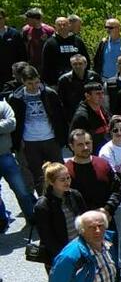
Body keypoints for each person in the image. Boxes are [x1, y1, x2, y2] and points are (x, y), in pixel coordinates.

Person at [34, 162, 89, 282]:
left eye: (68, 177)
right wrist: (67, 257)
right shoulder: (43, 205)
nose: (67, 182)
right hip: (59, 258)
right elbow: (48, 238)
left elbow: (85, 221)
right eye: (62, 179)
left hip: (80, 251)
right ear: (51, 182)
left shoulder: (75, 195)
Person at [8, 64, 67, 195]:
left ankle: (64, 197)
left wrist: (62, 138)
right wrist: (16, 144)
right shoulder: (16, 98)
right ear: (23, 82)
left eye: (36, 82)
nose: (34, 86)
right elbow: (15, 122)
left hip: (50, 138)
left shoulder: (50, 94)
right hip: (30, 141)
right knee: (38, 175)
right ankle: (44, 199)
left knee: (60, 171)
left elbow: (60, 117)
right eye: (30, 83)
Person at [98, 116, 121, 273]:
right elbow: (114, 176)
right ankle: (116, 266)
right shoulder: (107, 150)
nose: (119, 133)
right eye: (115, 130)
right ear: (110, 131)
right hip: (118, 198)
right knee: (117, 233)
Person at [0, 96, 36, 223]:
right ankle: (2, 220)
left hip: (5, 155)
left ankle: (32, 217)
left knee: (22, 190)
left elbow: (11, 124)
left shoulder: (2, 106)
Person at [41, 17, 89, 86]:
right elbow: (45, 64)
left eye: (64, 24)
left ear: (69, 25)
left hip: (78, 80)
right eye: (59, 25)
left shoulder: (78, 41)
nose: (62, 27)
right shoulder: (50, 43)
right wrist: (48, 81)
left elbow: (86, 60)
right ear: (55, 27)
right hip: (56, 82)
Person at [57, 53, 99, 122]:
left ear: (85, 64)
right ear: (71, 65)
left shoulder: (94, 76)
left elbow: (100, 95)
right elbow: (61, 101)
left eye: (80, 63)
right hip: (73, 115)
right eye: (75, 64)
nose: (78, 66)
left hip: (92, 113)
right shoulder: (64, 80)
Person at [70, 82, 112, 151]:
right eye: (98, 94)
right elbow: (74, 139)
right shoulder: (81, 116)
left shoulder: (103, 108)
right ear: (88, 96)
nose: (101, 96)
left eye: (102, 93)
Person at [0, 8, 28, 85]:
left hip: (13, 74)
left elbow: (22, 54)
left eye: (0, 18)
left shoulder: (14, 33)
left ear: (5, 18)